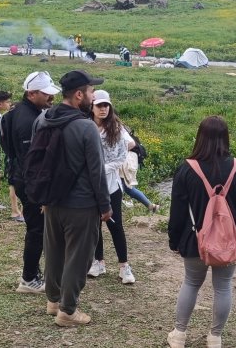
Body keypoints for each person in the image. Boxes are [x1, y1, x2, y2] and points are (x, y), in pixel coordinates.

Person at [167, 116, 236, 348]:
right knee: (223, 287)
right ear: (226, 138)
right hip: (229, 239)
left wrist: (174, 240)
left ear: (200, 136)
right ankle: (215, 337)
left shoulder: (187, 169)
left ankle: (179, 335)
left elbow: (177, 211)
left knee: (191, 283)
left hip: (194, 239)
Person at [39, 70, 111, 327]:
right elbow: (96, 171)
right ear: (79, 95)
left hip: (51, 201)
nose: (94, 96)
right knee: (78, 258)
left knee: (54, 252)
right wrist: (105, 205)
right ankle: (67, 311)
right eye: (91, 91)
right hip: (81, 204)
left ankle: (53, 301)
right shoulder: (86, 127)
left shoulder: (45, 119)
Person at [0, 71, 60, 293]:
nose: (51, 97)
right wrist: (41, 192)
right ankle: (29, 278)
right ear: (31, 93)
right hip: (30, 182)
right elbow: (32, 161)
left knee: (37, 228)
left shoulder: (19, 112)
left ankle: (32, 273)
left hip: (21, 177)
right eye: (46, 94)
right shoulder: (28, 120)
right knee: (37, 230)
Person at [88, 90, 135, 284]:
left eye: (106, 105)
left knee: (115, 225)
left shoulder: (115, 127)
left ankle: (124, 266)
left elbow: (128, 147)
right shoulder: (87, 125)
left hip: (111, 185)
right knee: (94, 225)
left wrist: (102, 167)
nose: (103, 109)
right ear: (92, 107)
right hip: (90, 185)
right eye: (99, 105)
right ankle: (98, 261)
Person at [120, 128, 159, 212]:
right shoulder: (121, 127)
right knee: (128, 188)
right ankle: (151, 206)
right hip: (131, 160)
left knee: (123, 187)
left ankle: (116, 209)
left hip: (127, 160)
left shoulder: (115, 127)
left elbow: (131, 144)